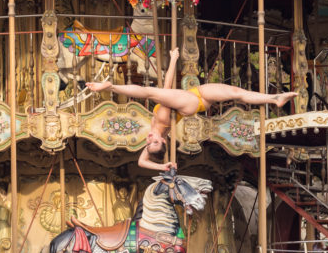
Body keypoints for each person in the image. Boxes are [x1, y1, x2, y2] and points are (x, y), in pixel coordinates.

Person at [87, 47, 297, 171]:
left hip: (196, 98)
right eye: (154, 142)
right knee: (151, 93)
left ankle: (275, 99)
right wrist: (111, 86)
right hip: (192, 101)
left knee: (235, 92)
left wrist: (173, 61)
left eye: (147, 143)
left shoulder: (157, 129)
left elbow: (142, 162)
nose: (148, 140)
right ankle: (273, 98)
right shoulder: (162, 121)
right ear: (163, 141)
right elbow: (146, 92)